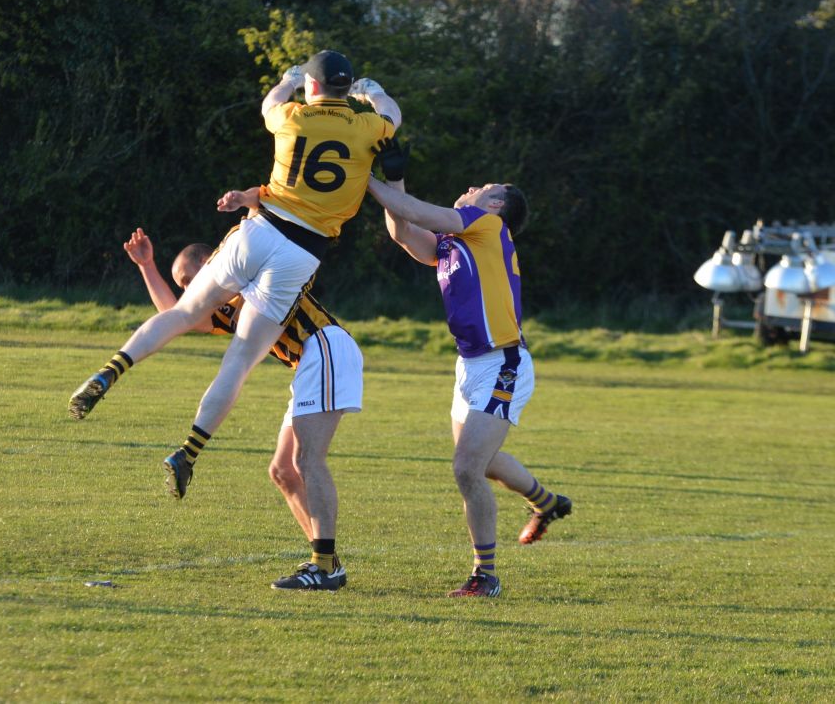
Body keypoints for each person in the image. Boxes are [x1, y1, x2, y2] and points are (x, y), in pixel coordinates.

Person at [67, 49, 403, 506]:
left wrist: (286, 80)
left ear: (313, 88)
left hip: (262, 227)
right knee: (241, 358)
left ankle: (109, 372)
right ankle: (189, 450)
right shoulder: (367, 127)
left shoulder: (293, 116)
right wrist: (373, 92)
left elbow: (268, 104)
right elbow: (392, 116)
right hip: (303, 252)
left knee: (187, 311)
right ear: (346, 88)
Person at [118, 210, 361, 591]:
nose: (187, 290)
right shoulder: (223, 307)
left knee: (307, 460)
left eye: (187, 280)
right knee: (282, 471)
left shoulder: (251, 274)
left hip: (325, 346)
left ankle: (324, 567)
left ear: (210, 261)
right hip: (308, 363)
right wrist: (147, 266)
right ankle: (327, 561)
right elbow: (178, 315)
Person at [366, 174, 572, 598]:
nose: (478, 186)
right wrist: (395, 180)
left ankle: (486, 576)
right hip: (471, 365)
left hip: (503, 363)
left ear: (496, 206)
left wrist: (366, 175)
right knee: (484, 462)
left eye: (489, 187)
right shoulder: (456, 241)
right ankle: (547, 502)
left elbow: (414, 212)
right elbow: (402, 229)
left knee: (466, 468)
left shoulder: (487, 225)